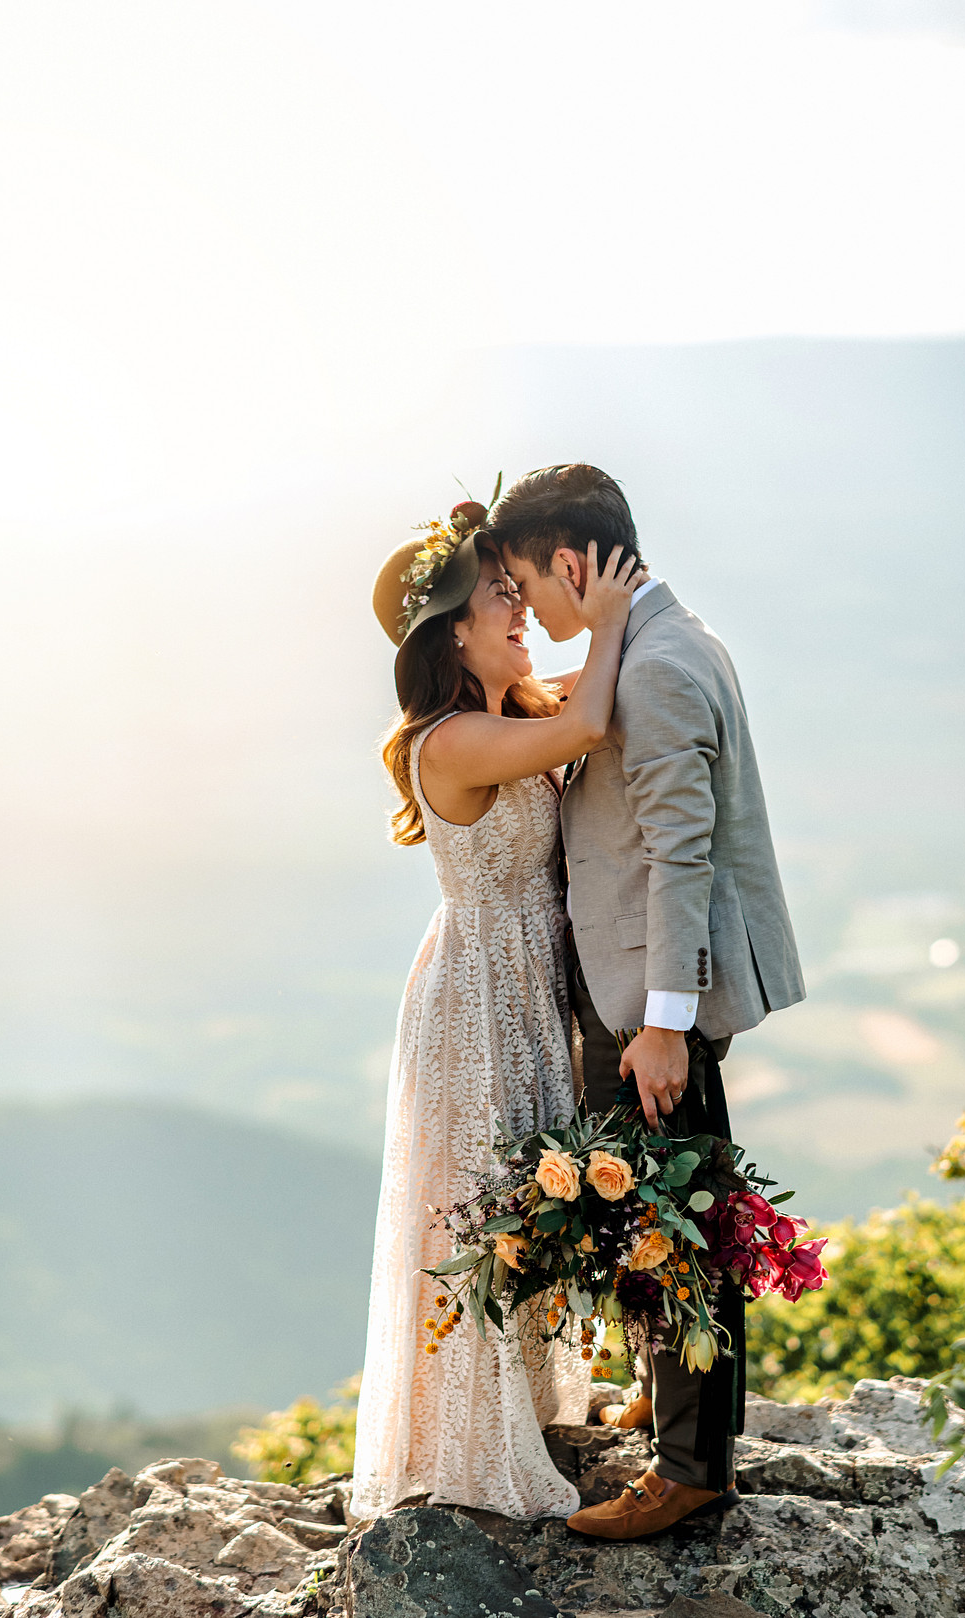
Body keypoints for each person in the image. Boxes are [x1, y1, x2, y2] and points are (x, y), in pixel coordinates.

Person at [488, 464, 805, 1540]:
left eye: (531, 586)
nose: (530, 609)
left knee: (679, 1223)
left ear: (573, 562)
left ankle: (690, 1467)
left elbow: (680, 850)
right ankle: (670, 1405)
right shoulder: (669, 639)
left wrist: (664, 1020)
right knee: (658, 1210)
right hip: (635, 989)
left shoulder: (659, 667)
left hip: (652, 1000)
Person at [352, 498, 646, 1519]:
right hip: (477, 991)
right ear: (454, 633)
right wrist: (607, 617)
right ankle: (476, 1439)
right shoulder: (452, 739)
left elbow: (596, 699)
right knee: (486, 1203)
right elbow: (591, 719)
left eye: (520, 594)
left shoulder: (506, 710)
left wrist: (632, 642)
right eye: (500, 598)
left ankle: (523, 1403)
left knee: (526, 1192)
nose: (521, 611)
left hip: (522, 981)